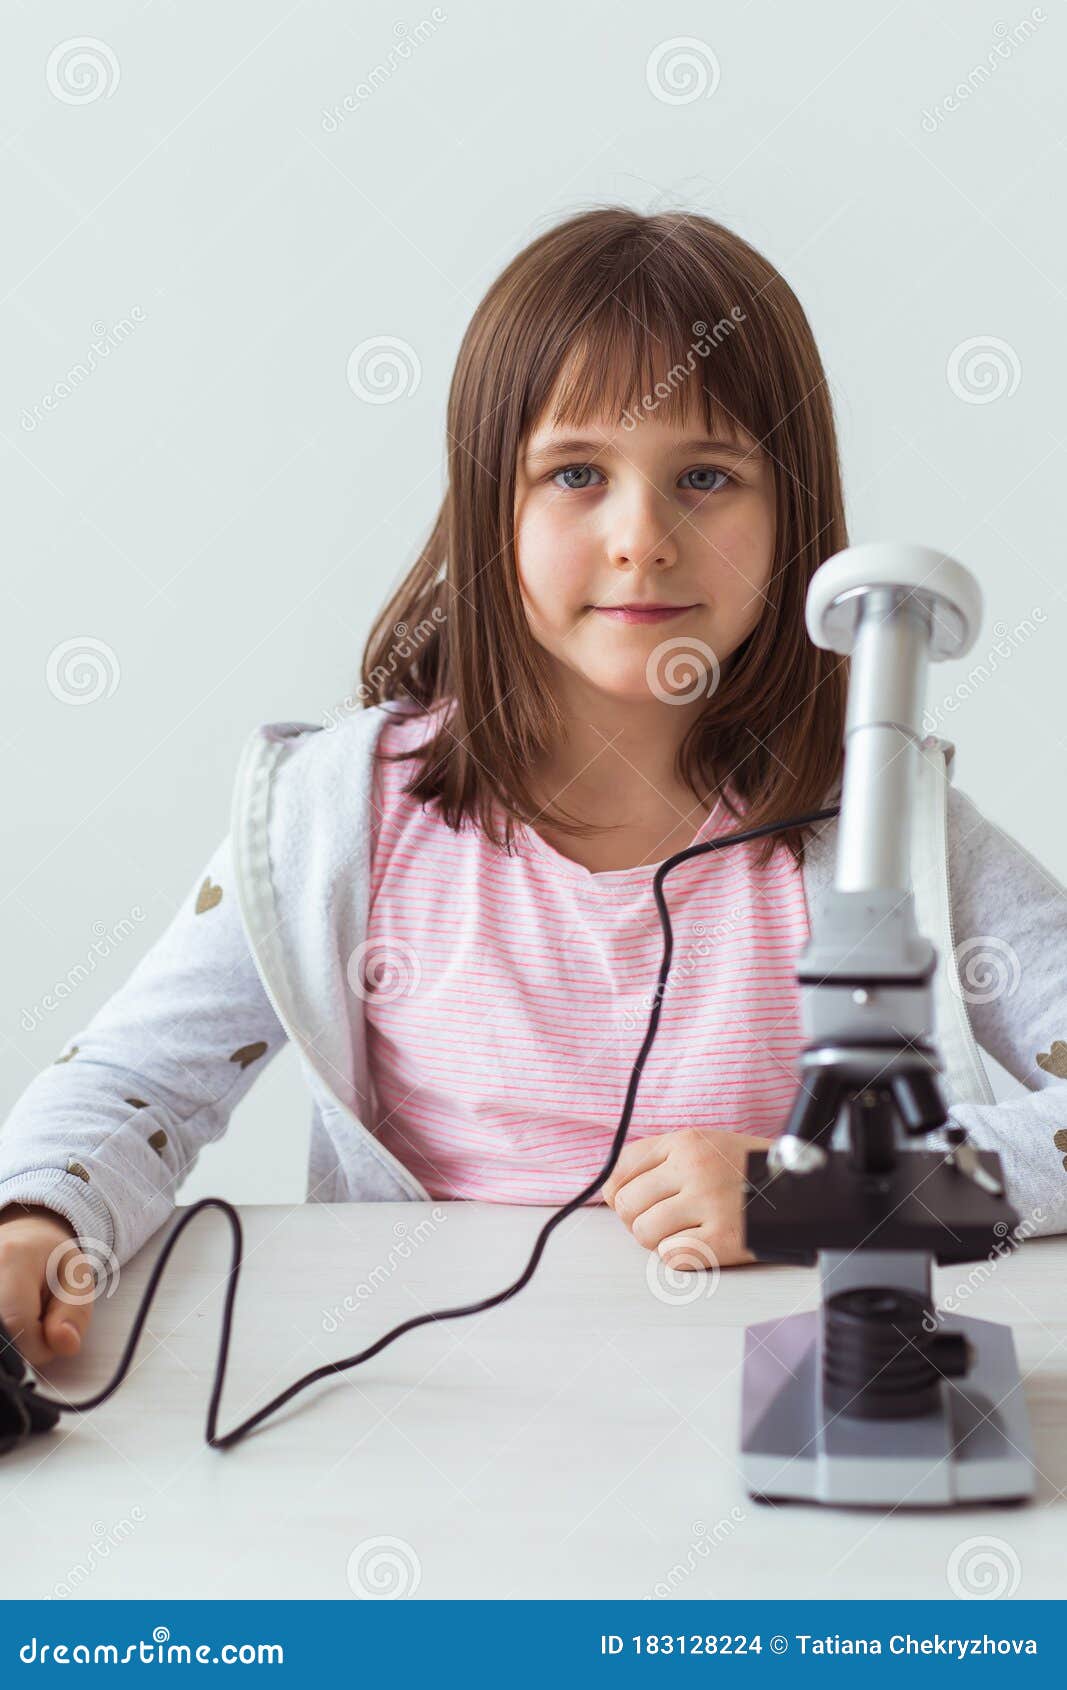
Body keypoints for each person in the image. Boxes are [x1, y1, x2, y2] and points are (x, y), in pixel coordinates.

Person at [2, 207, 1065, 1376]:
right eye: (573, 474)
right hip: (420, 1434)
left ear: (793, 516)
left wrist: (814, 1195)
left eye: (705, 476)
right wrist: (39, 1222)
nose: (640, 539)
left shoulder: (888, 834)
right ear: (486, 507)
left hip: (746, 1431)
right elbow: (136, 1078)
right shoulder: (335, 816)